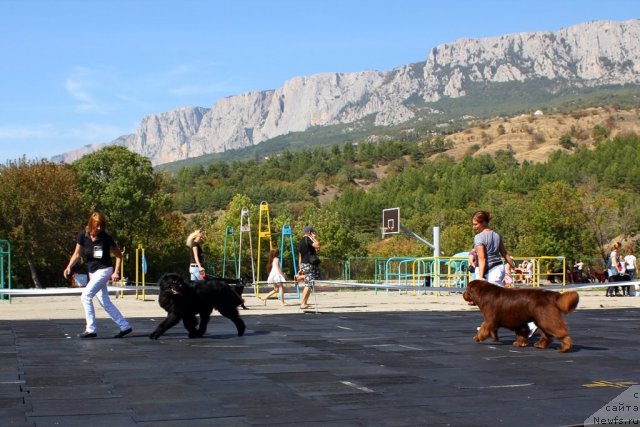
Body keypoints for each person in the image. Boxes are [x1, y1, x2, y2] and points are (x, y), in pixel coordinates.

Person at [63, 211, 132, 339]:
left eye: (101, 226)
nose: (99, 228)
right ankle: (125, 326)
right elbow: (77, 254)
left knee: (85, 296)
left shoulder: (106, 238)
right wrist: (69, 266)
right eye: (97, 226)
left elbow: (119, 256)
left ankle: (91, 329)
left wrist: (116, 272)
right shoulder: (83, 236)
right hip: (92, 272)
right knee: (104, 301)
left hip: (104, 270)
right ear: (91, 224)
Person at [471, 211, 536, 335]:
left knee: (504, 304)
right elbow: (504, 253)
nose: (474, 227)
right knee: (493, 303)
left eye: (475, 224)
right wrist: (513, 266)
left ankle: (529, 324)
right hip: (498, 269)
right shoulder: (496, 235)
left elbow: (482, 258)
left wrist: (480, 277)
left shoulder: (479, 238)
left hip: (489, 272)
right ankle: (488, 326)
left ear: (483, 222)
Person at [298, 226, 320, 309]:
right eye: (313, 232)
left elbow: (300, 255)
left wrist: (300, 267)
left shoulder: (301, 241)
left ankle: (304, 302)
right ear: (310, 232)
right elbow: (317, 245)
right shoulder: (309, 238)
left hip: (304, 263)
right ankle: (303, 304)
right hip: (309, 263)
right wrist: (314, 238)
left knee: (309, 283)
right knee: (309, 283)